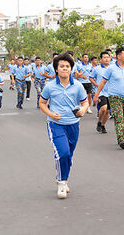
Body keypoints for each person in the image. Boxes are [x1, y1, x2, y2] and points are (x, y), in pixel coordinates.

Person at [39, 53, 89, 199]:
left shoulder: (78, 86)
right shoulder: (50, 86)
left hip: (73, 124)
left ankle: (64, 178)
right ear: (56, 69)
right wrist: (50, 113)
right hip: (56, 124)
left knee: (69, 156)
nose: (65, 69)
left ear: (71, 69)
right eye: (62, 66)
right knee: (63, 153)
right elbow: (42, 103)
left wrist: (83, 110)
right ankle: (61, 182)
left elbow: (85, 102)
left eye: (67, 66)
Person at [89, 51, 111, 133]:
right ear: (100, 59)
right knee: (103, 108)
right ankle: (99, 121)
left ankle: (102, 125)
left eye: (107, 57)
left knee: (108, 111)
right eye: (104, 57)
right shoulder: (97, 69)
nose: (106, 59)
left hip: (111, 92)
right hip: (101, 92)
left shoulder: (112, 68)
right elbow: (90, 78)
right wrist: (97, 85)